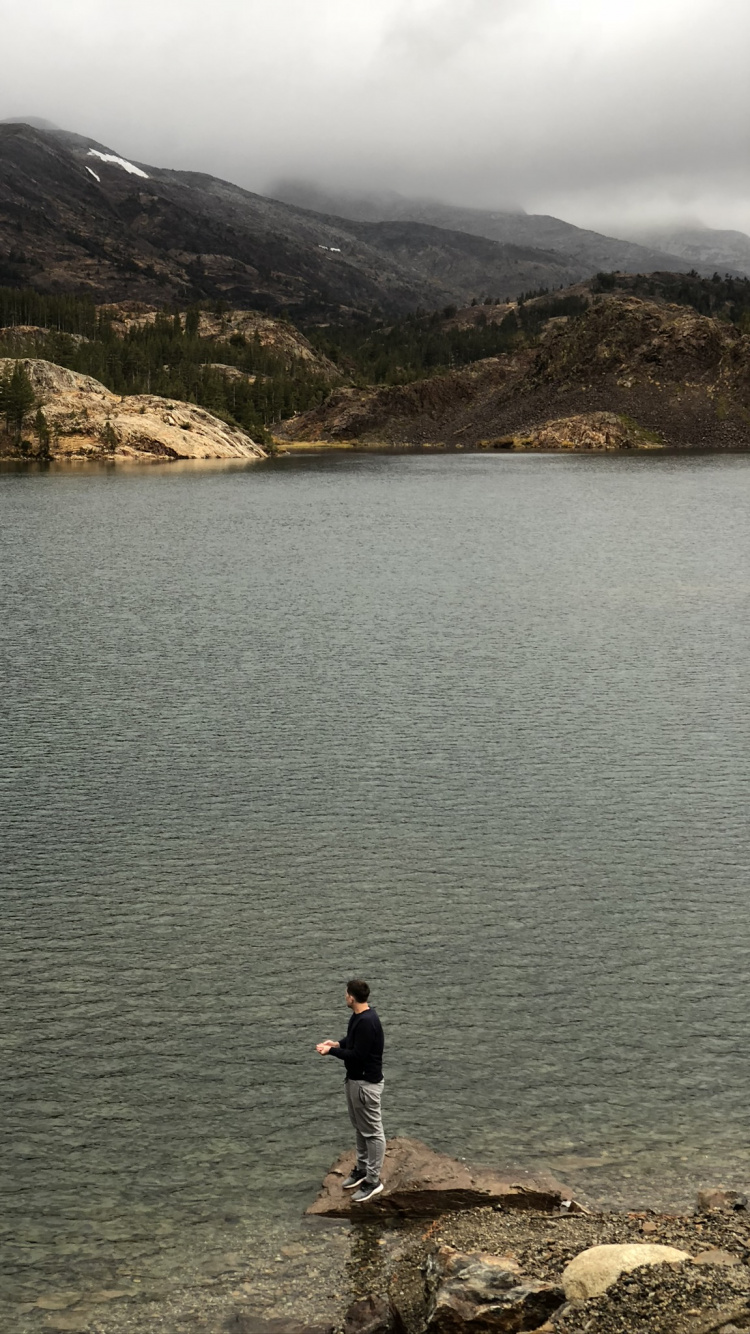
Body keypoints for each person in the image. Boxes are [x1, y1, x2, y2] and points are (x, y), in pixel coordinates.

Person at [316, 979, 385, 1202]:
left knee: (372, 1132)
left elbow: (358, 1055)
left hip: (366, 1085)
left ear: (351, 997)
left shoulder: (367, 1021)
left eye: (346, 994)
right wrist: (336, 1044)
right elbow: (353, 1041)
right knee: (360, 1127)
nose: (345, 997)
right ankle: (362, 1170)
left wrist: (330, 1052)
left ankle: (373, 1181)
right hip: (355, 1081)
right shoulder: (359, 1016)